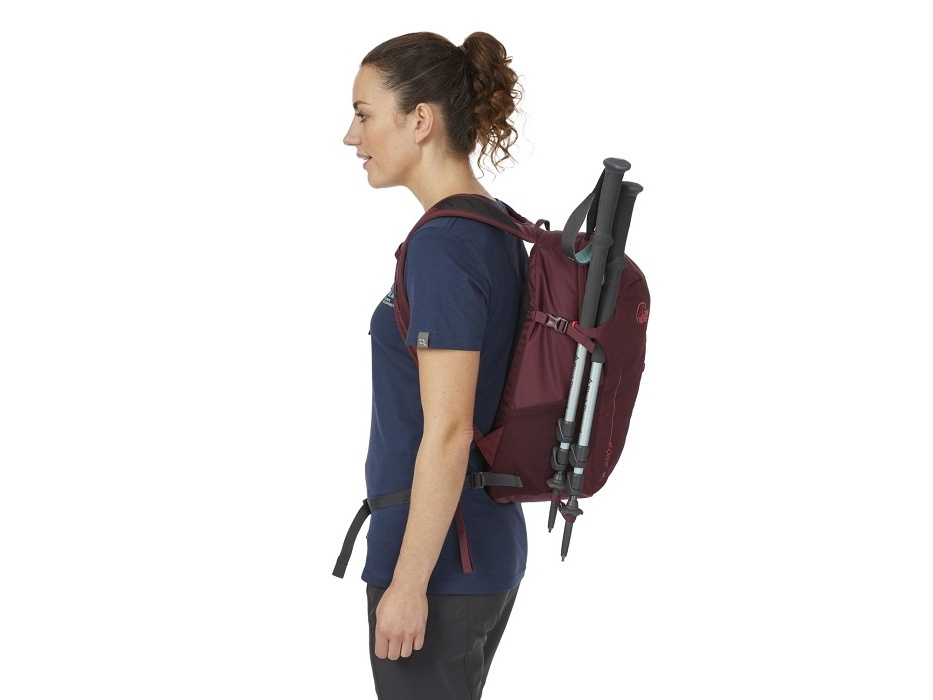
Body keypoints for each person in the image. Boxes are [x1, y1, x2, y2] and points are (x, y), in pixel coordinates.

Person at [342, 31, 529, 699]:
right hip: (480, 549)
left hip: (441, 567)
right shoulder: (495, 228)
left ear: (419, 120)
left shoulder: (444, 246)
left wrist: (407, 583)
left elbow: (449, 431)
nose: (351, 136)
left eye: (364, 114)